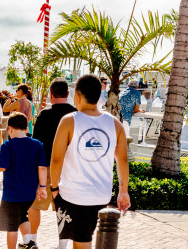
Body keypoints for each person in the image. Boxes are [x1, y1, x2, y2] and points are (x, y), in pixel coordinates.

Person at [50, 75, 130, 249]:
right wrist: (123, 191)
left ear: (77, 97)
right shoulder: (115, 124)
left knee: (82, 242)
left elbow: (56, 159)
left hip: (74, 194)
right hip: (101, 194)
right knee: (87, 237)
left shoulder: (69, 121)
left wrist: (54, 188)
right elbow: (122, 160)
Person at [0, 112, 47, 249]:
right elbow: (42, 168)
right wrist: (42, 187)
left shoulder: (7, 145)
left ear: (10, 129)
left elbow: (2, 166)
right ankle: (29, 242)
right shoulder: (38, 145)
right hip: (30, 193)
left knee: (11, 225)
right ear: (26, 128)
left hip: (12, 194)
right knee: (22, 216)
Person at [28, 77, 76, 247]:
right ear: (68, 93)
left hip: (45, 167)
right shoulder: (76, 115)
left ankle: (32, 240)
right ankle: (62, 245)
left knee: (34, 205)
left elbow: (36, 144)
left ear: (51, 94)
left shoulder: (45, 115)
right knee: (64, 208)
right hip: (69, 169)